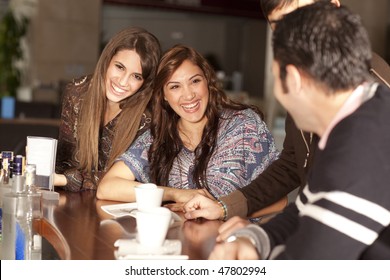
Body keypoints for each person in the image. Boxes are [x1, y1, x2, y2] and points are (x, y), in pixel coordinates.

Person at [208, 2, 390, 259]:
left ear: (292, 79)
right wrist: (257, 238)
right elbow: (310, 204)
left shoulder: (366, 143)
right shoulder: (355, 115)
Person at [97, 44, 279, 212]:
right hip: (181, 240)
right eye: (175, 87)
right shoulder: (158, 136)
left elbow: (279, 200)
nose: (189, 95)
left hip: (235, 240)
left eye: (195, 81)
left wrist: (223, 211)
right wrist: (174, 194)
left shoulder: (243, 125)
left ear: (207, 80)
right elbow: (107, 187)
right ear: (164, 96)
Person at [55, 27, 162, 191]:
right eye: (119, 67)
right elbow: (64, 163)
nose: (123, 82)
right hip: (69, 202)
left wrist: (66, 180)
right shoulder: (77, 92)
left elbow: (134, 181)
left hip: (119, 210)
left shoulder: (148, 117)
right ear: (107, 60)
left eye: (136, 76)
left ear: (145, 83)